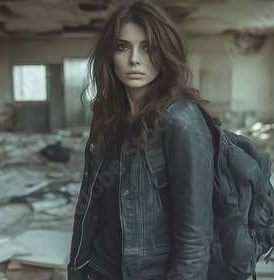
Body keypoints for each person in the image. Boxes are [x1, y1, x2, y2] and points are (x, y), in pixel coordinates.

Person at [68, 0, 214, 279]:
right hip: (99, 269)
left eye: (147, 47)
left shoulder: (180, 120)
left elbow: (195, 235)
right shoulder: (105, 115)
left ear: (165, 52)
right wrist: (75, 268)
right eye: (123, 46)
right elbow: (87, 205)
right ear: (110, 54)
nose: (134, 58)